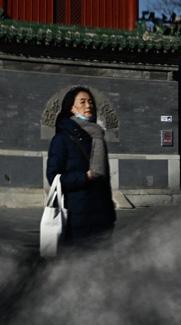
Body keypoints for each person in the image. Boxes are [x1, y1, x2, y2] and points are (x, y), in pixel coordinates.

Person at [46, 86, 116, 248]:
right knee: (79, 266)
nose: (88, 105)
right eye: (82, 102)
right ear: (71, 108)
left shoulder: (97, 135)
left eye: (90, 102)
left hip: (103, 215)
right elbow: (53, 177)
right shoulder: (62, 139)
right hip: (78, 216)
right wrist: (85, 177)